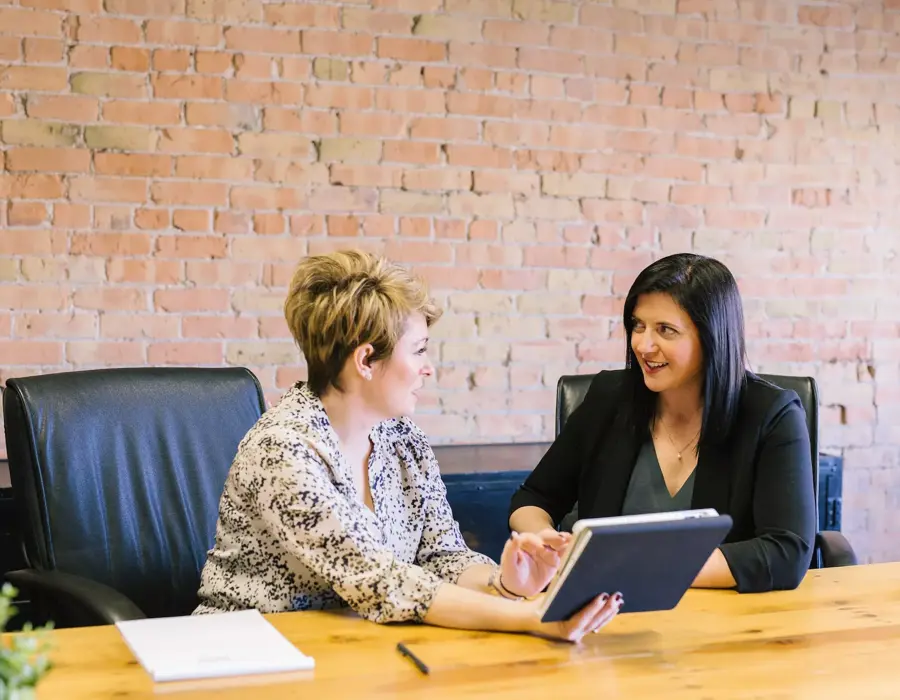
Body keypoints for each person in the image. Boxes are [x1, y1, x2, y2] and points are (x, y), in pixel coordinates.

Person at [195, 249, 621, 641]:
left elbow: (442, 555)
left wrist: (506, 584)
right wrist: (533, 617)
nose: (428, 368)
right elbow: (381, 581)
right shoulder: (283, 450)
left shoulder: (402, 439)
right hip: (247, 655)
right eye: (418, 351)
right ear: (365, 361)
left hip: (358, 649)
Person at [509, 253, 817, 593]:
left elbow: (786, 552)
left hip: (723, 620)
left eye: (665, 330)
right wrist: (543, 541)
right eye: (638, 326)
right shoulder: (610, 398)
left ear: (712, 336)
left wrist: (639, 568)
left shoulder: (772, 415)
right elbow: (533, 497)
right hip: (605, 615)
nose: (643, 344)